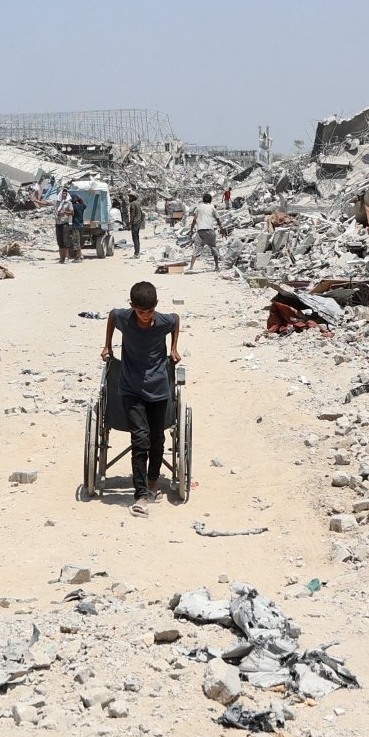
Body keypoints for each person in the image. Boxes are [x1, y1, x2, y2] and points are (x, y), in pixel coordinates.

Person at [102, 281, 182, 517]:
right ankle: (140, 495)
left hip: (158, 388)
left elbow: (176, 319)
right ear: (132, 307)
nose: (145, 317)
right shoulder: (124, 318)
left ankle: (153, 480)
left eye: (149, 311)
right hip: (130, 388)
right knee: (140, 439)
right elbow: (111, 316)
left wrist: (174, 348)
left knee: (157, 438)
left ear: (155, 306)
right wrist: (107, 346)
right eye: (140, 312)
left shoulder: (164, 321)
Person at [187, 193, 225, 272]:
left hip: (200, 231)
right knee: (213, 248)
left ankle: (191, 267)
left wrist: (191, 230)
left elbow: (194, 220)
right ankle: (217, 267)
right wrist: (222, 229)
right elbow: (218, 219)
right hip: (210, 231)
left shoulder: (198, 207)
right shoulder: (212, 207)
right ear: (210, 199)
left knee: (197, 249)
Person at [54, 187, 76, 264]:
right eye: (63, 193)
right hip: (58, 223)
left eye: (65, 194)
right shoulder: (56, 202)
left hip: (64, 224)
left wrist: (65, 212)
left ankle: (66, 257)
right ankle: (61, 257)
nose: (64, 195)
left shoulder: (68, 203)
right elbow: (46, 203)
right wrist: (36, 201)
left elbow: (72, 213)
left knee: (66, 241)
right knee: (59, 241)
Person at [126, 190, 145, 258]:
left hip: (135, 223)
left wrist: (129, 224)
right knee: (137, 237)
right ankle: (137, 252)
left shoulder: (132, 204)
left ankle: (136, 253)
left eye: (130, 197)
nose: (129, 198)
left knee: (135, 238)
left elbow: (132, 215)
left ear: (133, 197)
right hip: (138, 222)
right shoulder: (138, 203)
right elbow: (142, 214)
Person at [69, 189, 87, 261]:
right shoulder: (82, 206)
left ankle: (78, 257)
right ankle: (81, 256)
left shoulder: (73, 206)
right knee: (79, 242)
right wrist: (80, 199)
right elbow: (85, 205)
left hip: (75, 226)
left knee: (76, 243)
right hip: (81, 226)